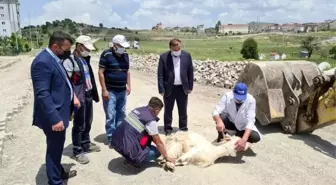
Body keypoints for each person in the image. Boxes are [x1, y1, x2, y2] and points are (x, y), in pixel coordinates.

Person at [31, 31, 77, 185]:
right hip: (54, 116)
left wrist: (73, 96)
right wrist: (55, 118)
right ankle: (55, 181)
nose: (67, 52)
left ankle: (58, 172)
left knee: (57, 146)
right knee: (54, 149)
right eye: (65, 49)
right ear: (55, 46)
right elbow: (42, 94)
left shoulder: (54, 58)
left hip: (60, 112)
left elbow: (63, 81)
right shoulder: (42, 62)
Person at [62, 35, 100, 164]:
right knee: (79, 125)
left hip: (88, 94)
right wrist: (74, 98)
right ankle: (78, 150)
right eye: (86, 48)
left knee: (88, 121)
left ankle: (86, 143)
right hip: (79, 97)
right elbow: (67, 82)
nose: (88, 51)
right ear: (79, 46)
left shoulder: (84, 59)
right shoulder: (70, 61)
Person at [111, 97, 175, 168]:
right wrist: (167, 157)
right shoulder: (150, 121)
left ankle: (128, 155)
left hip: (116, 142)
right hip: (126, 147)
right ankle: (133, 161)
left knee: (145, 138)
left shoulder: (137, 110)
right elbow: (158, 143)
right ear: (157, 110)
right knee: (156, 152)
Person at [98, 34, 131, 146]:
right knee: (111, 115)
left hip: (122, 90)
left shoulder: (125, 55)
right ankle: (112, 138)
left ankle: (119, 135)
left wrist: (128, 85)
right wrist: (104, 90)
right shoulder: (106, 54)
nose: (123, 48)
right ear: (115, 45)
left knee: (121, 114)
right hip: (110, 91)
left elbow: (127, 71)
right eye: (121, 46)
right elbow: (101, 72)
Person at [157, 38, 194, 136]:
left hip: (183, 88)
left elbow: (190, 72)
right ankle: (168, 129)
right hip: (169, 88)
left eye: (179, 49)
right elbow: (160, 74)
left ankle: (183, 128)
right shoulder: (164, 57)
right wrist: (161, 89)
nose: (178, 51)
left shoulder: (187, 56)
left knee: (183, 110)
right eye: (176, 50)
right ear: (171, 48)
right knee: (168, 110)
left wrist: (190, 86)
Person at [212, 82, 262, 151]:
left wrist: (244, 139)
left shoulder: (251, 100)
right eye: (237, 96)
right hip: (231, 123)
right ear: (233, 92)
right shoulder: (227, 96)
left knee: (256, 137)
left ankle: (240, 139)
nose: (239, 99)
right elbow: (216, 111)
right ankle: (221, 138)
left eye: (241, 97)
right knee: (221, 117)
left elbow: (251, 120)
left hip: (242, 127)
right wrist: (219, 121)